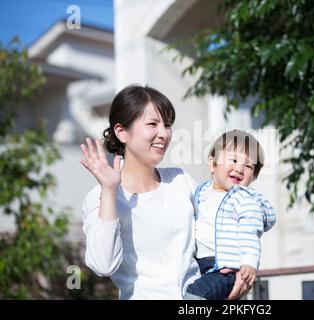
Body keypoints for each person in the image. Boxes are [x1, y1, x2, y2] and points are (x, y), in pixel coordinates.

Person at [80, 84, 250, 299]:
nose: (164, 134)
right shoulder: (100, 197)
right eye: (152, 124)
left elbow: (213, 232)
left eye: (167, 125)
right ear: (121, 132)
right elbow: (103, 265)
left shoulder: (180, 180)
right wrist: (109, 191)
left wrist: (234, 270)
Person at [185, 129, 276, 300]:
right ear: (213, 165)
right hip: (199, 265)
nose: (240, 168)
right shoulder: (202, 191)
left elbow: (250, 233)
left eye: (249, 166)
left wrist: (249, 263)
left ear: (253, 177)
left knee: (193, 297)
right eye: (233, 160)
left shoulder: (244, 200)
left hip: (224, 269)